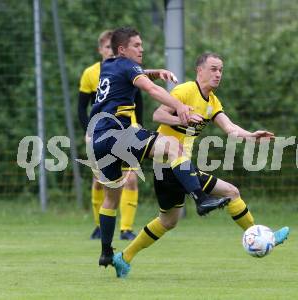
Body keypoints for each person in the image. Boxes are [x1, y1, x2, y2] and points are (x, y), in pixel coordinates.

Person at [111, 52, 290, 278]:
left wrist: (251, 135)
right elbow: (158, 115)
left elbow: (230, 128)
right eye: (213, 69)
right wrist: (181, 118)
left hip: (172, 166)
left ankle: (123, 257)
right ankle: (262, 236)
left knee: (168, 221)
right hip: (170, 163)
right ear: (200, 71)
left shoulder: (213, 102)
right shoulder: (185, 91)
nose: (218, 74)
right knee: (231, 192)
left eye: (221, 70)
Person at [88, 27, 231, 271]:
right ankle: (201, 198)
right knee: (172, 146)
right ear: (123, 49)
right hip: (119, 135)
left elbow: (137, 75)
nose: (141, 49)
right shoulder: (126, 65)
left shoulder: (109, 65)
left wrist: (154, 72)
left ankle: (105, 252)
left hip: (98, 140)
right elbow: (152, 90)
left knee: (112, 197)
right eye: (136, 45)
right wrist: (180, 106)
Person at [78, 30, 141, 241]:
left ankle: (126, 228)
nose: (108, 51)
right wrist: (88, 130)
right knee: (100, 182)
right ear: (100, 49)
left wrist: (138, 123)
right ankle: (99, 226)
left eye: (110, 47)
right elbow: (82, 107)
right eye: (105, 47)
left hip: (126, 129)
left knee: (131, 179)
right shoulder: (91, 73)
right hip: (101, 132)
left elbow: (137, 98)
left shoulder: (129, 67)